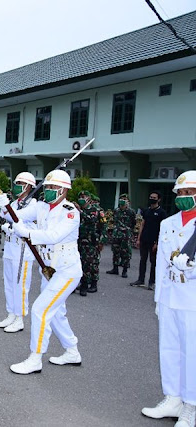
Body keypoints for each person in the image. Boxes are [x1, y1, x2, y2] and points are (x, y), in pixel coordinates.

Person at [0, 170, 83, 375]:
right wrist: (4, 205)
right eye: (47, 187)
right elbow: (15, 216)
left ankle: (35, 358)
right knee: (56, 313)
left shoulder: (70, 212)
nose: (49, 191)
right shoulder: (42, 207)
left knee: (41, 310)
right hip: (50, 270)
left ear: (63, 190)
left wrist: (26, 232)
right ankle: (72, 351)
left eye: (53, 188)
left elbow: (53, 236)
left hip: (67, 270)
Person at [141, 171, 196, 427]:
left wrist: (192, 267)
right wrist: (158, 298)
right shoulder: (169, 222)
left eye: (190, 193)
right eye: (182, 193)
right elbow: (161, 264)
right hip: (170, 294)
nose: (185, 197)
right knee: (169, 349)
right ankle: (173, 398)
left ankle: (191, 406)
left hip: (192, 298)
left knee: (191, 353)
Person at [0, 172, 37, 332]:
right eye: (17, 182)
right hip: (10, 246)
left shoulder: (33, 204)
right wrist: (4, 207)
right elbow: (4, 215)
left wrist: (6, 210)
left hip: (23, 249)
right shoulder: (16, 202)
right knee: (9, 282)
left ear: (29, 186)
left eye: (21, 183)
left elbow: (16, 217)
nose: (17, 185)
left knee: (20, 285)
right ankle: (11, 314)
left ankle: (20, 318)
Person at [131, 191, 167, 290]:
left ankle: (152, 282)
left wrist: (157, 242)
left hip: (154, 241)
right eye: (151, 197)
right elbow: (142, 224)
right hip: (144, 240)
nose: (152, 199)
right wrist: (138, 239)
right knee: (143, 260)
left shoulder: (161, 213)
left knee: (153, 262)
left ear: (158, 199)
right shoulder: (146, 211)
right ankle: (140, 280)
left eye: (154, 197)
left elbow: (162, 229)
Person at [76, 191, 105, 296]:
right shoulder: (79, 210)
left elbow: (93, 221)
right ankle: (80, 282)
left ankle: (89, 284)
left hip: (91, 241)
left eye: (83, 197)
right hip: (79, 240)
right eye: (80, 197)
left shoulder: (95, 210)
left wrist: (102, 240)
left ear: (88, 198)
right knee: (79, 263)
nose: (81, 199)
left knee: (90, 263)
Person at [106, 194, 136, 278]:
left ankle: (124, 270)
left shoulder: (131, 212)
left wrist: (130, 232)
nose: (122, 200)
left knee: (126, 253)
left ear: (128, 201)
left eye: (124, 199)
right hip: (116, 234)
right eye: (121, 199)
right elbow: (114, 221)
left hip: (126, 235)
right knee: (115, 252)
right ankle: (115, 268)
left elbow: (134, 223)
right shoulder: (116, 210)